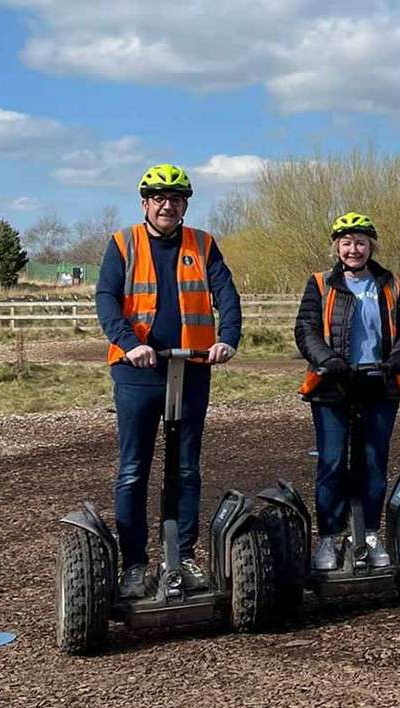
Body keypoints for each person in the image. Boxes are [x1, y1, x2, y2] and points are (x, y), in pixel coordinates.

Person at [96, 163, 241, 598]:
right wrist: (128, 342)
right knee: (134, 468)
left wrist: (227, 338)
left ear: (184, 205)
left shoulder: (203, 243)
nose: (167, 204)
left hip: (192, 368)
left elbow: (226, 294)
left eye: (175, 198)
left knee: (186, 467)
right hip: (138, 370)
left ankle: (184, 559)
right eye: (158, 197)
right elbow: (106, 298)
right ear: (145, 203)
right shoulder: (124, 243)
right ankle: (135, 565)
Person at [295, 212, 400, 570]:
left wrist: (399, 357)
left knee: (372, 462)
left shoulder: (389, 283)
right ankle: (329, 538)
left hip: (379, 382)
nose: (354, 249)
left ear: (371, 247)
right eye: (347, 243)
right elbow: (306, 329)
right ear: (337, 246)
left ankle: (368, 533)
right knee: (332, 461)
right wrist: (327, 359)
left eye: (361, 243)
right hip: (332, 384)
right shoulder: (320, 283)